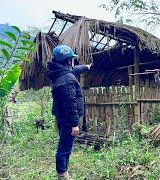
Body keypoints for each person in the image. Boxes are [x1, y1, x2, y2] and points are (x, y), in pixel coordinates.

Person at [47, 44, 92, 179]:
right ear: (68, 61)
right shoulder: (67, 80)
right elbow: (70, 103)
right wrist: (74, 124)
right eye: (71, 59)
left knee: (64, 144)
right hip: (68, 119)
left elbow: (74, 70)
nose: (73, 61)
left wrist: (86, 67)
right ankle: (62, 175)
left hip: (62, 117)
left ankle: (63, 172)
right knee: (64, 148)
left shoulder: (59, 73)